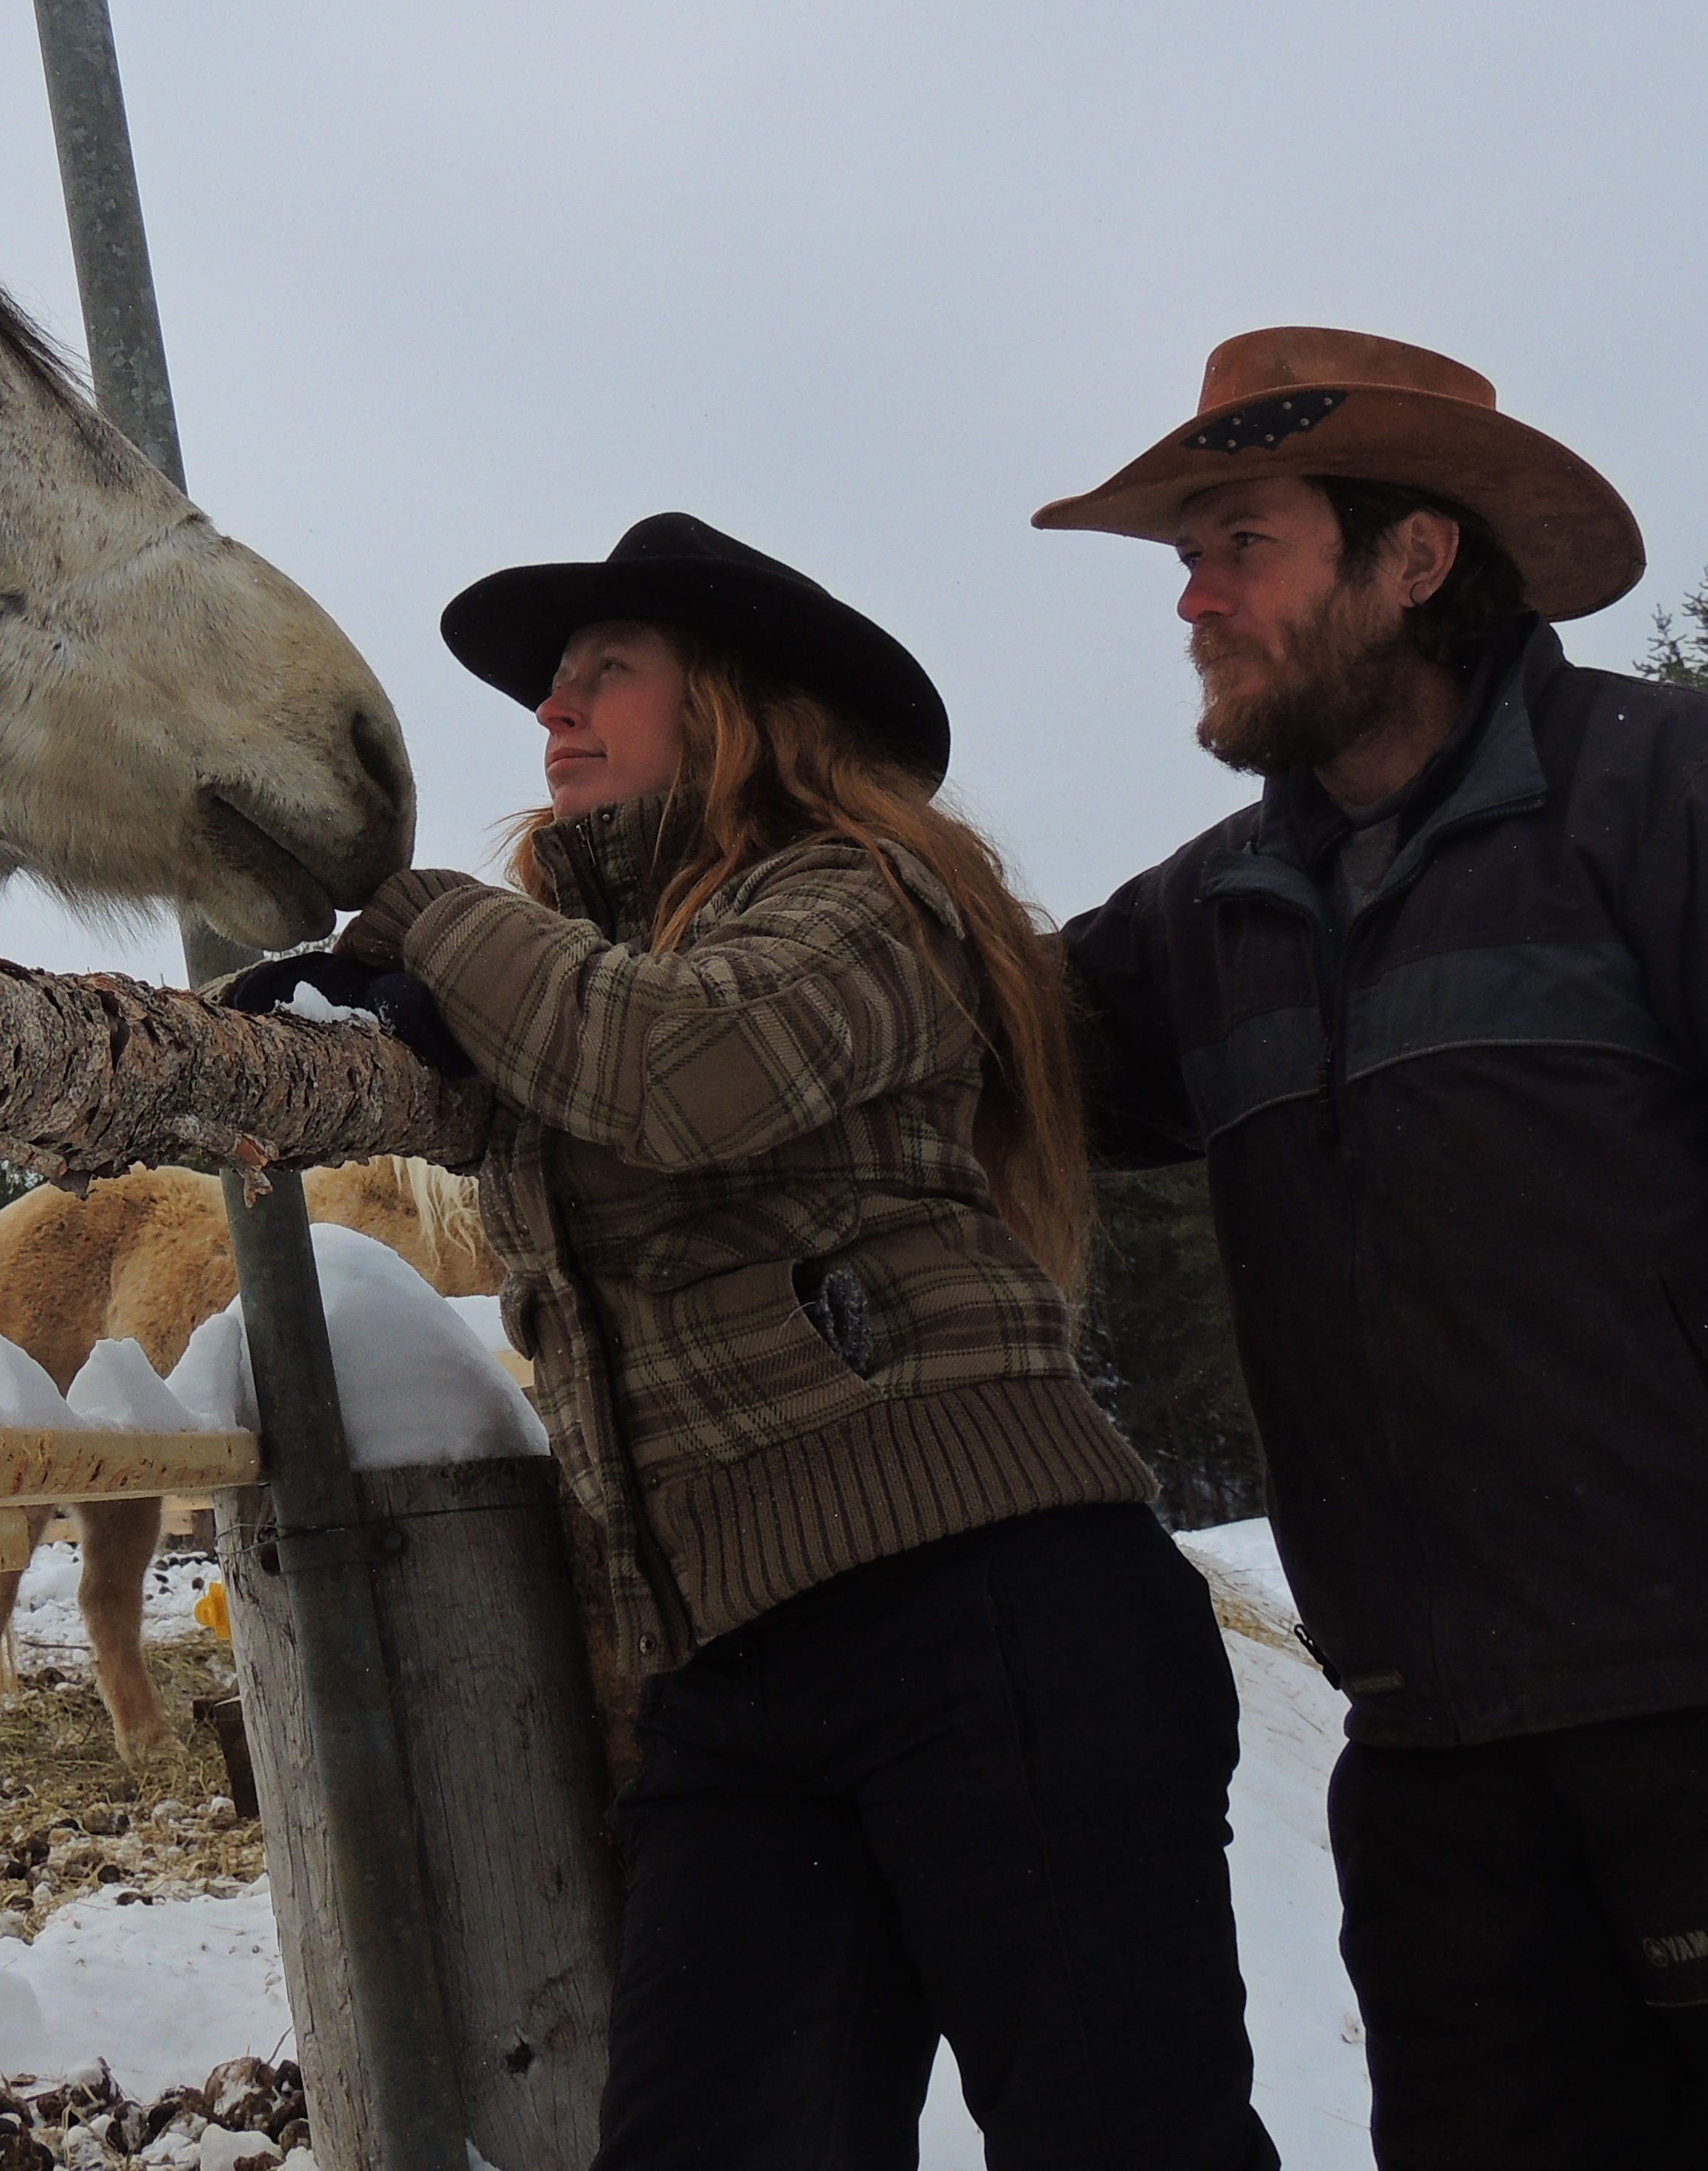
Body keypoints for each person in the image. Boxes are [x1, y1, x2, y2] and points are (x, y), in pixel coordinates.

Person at [1040, 327, 1708, 2170]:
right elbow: (928, 1048)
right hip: (1444, 1792)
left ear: (1414, 556)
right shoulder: (1208, 919)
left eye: (1239, 546)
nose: (1190, 600)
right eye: (1184, 560)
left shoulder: (1682, 795)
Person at [248, 513, 1276, 2171]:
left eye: (604, 678)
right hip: (732, 1674)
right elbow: (602, 1044)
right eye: (552, 691)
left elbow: (688, 1079)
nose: (552, 718)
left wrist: (422, 917)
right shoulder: (585, 975)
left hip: (993, 1612)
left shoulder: (868, 896)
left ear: (729, 706)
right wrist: (397, 1011)